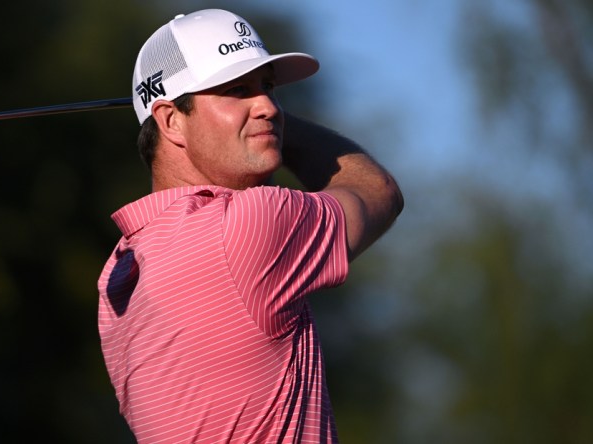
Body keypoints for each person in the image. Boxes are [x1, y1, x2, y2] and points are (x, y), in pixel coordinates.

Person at [97, 8, 403, 443]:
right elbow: (379, 192)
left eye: (269, 88)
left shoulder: (119, 273)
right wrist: (279, 127)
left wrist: (250, 120)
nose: (268, 107)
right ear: (170, 121)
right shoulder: (248, 225)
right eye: (237, 90)